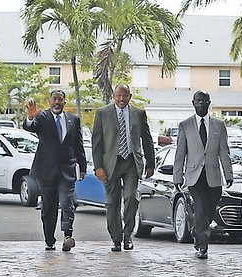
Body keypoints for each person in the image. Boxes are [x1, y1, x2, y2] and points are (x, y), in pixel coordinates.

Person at [92, 84, 155, 252]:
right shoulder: (102, 113)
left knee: (131, 199)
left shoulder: (138, 114)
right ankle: (116, 239)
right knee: (112, 202)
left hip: (131, 162)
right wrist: (98, 166)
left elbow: (147, 140)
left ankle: (128, 235)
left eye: (125, 96)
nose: (121, 99)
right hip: (110, 164)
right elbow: (96, 142)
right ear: (113, 95)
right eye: (118, 95)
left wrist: (150, 163)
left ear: (130, 96)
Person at [23, 89, 86, 251]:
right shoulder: (42, 117)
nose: (57, 102)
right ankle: (49, 240)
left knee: (67, 203)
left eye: (60, 99)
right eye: (54, 99)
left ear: (64, 102)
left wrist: (82, 167)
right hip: (46, 171)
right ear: (49, 101)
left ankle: (67, 235)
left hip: (67, 170)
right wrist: (30, 117)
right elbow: (31, 127)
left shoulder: (73, 120)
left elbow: (78, 146)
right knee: (49, 207)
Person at [173, 90, 233, 259]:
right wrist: (177, 177)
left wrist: (228, 173)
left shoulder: (218, 125)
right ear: (193, 103)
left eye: (204, 100)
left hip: (213, 176)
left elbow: (224, 151)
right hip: (194, 176)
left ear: (209, 103)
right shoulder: (185, 125)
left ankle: (196, 231)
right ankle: (203, 245)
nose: (201, 103)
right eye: (198, 100)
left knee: (208, 210)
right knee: (199, 208)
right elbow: (180, 153)